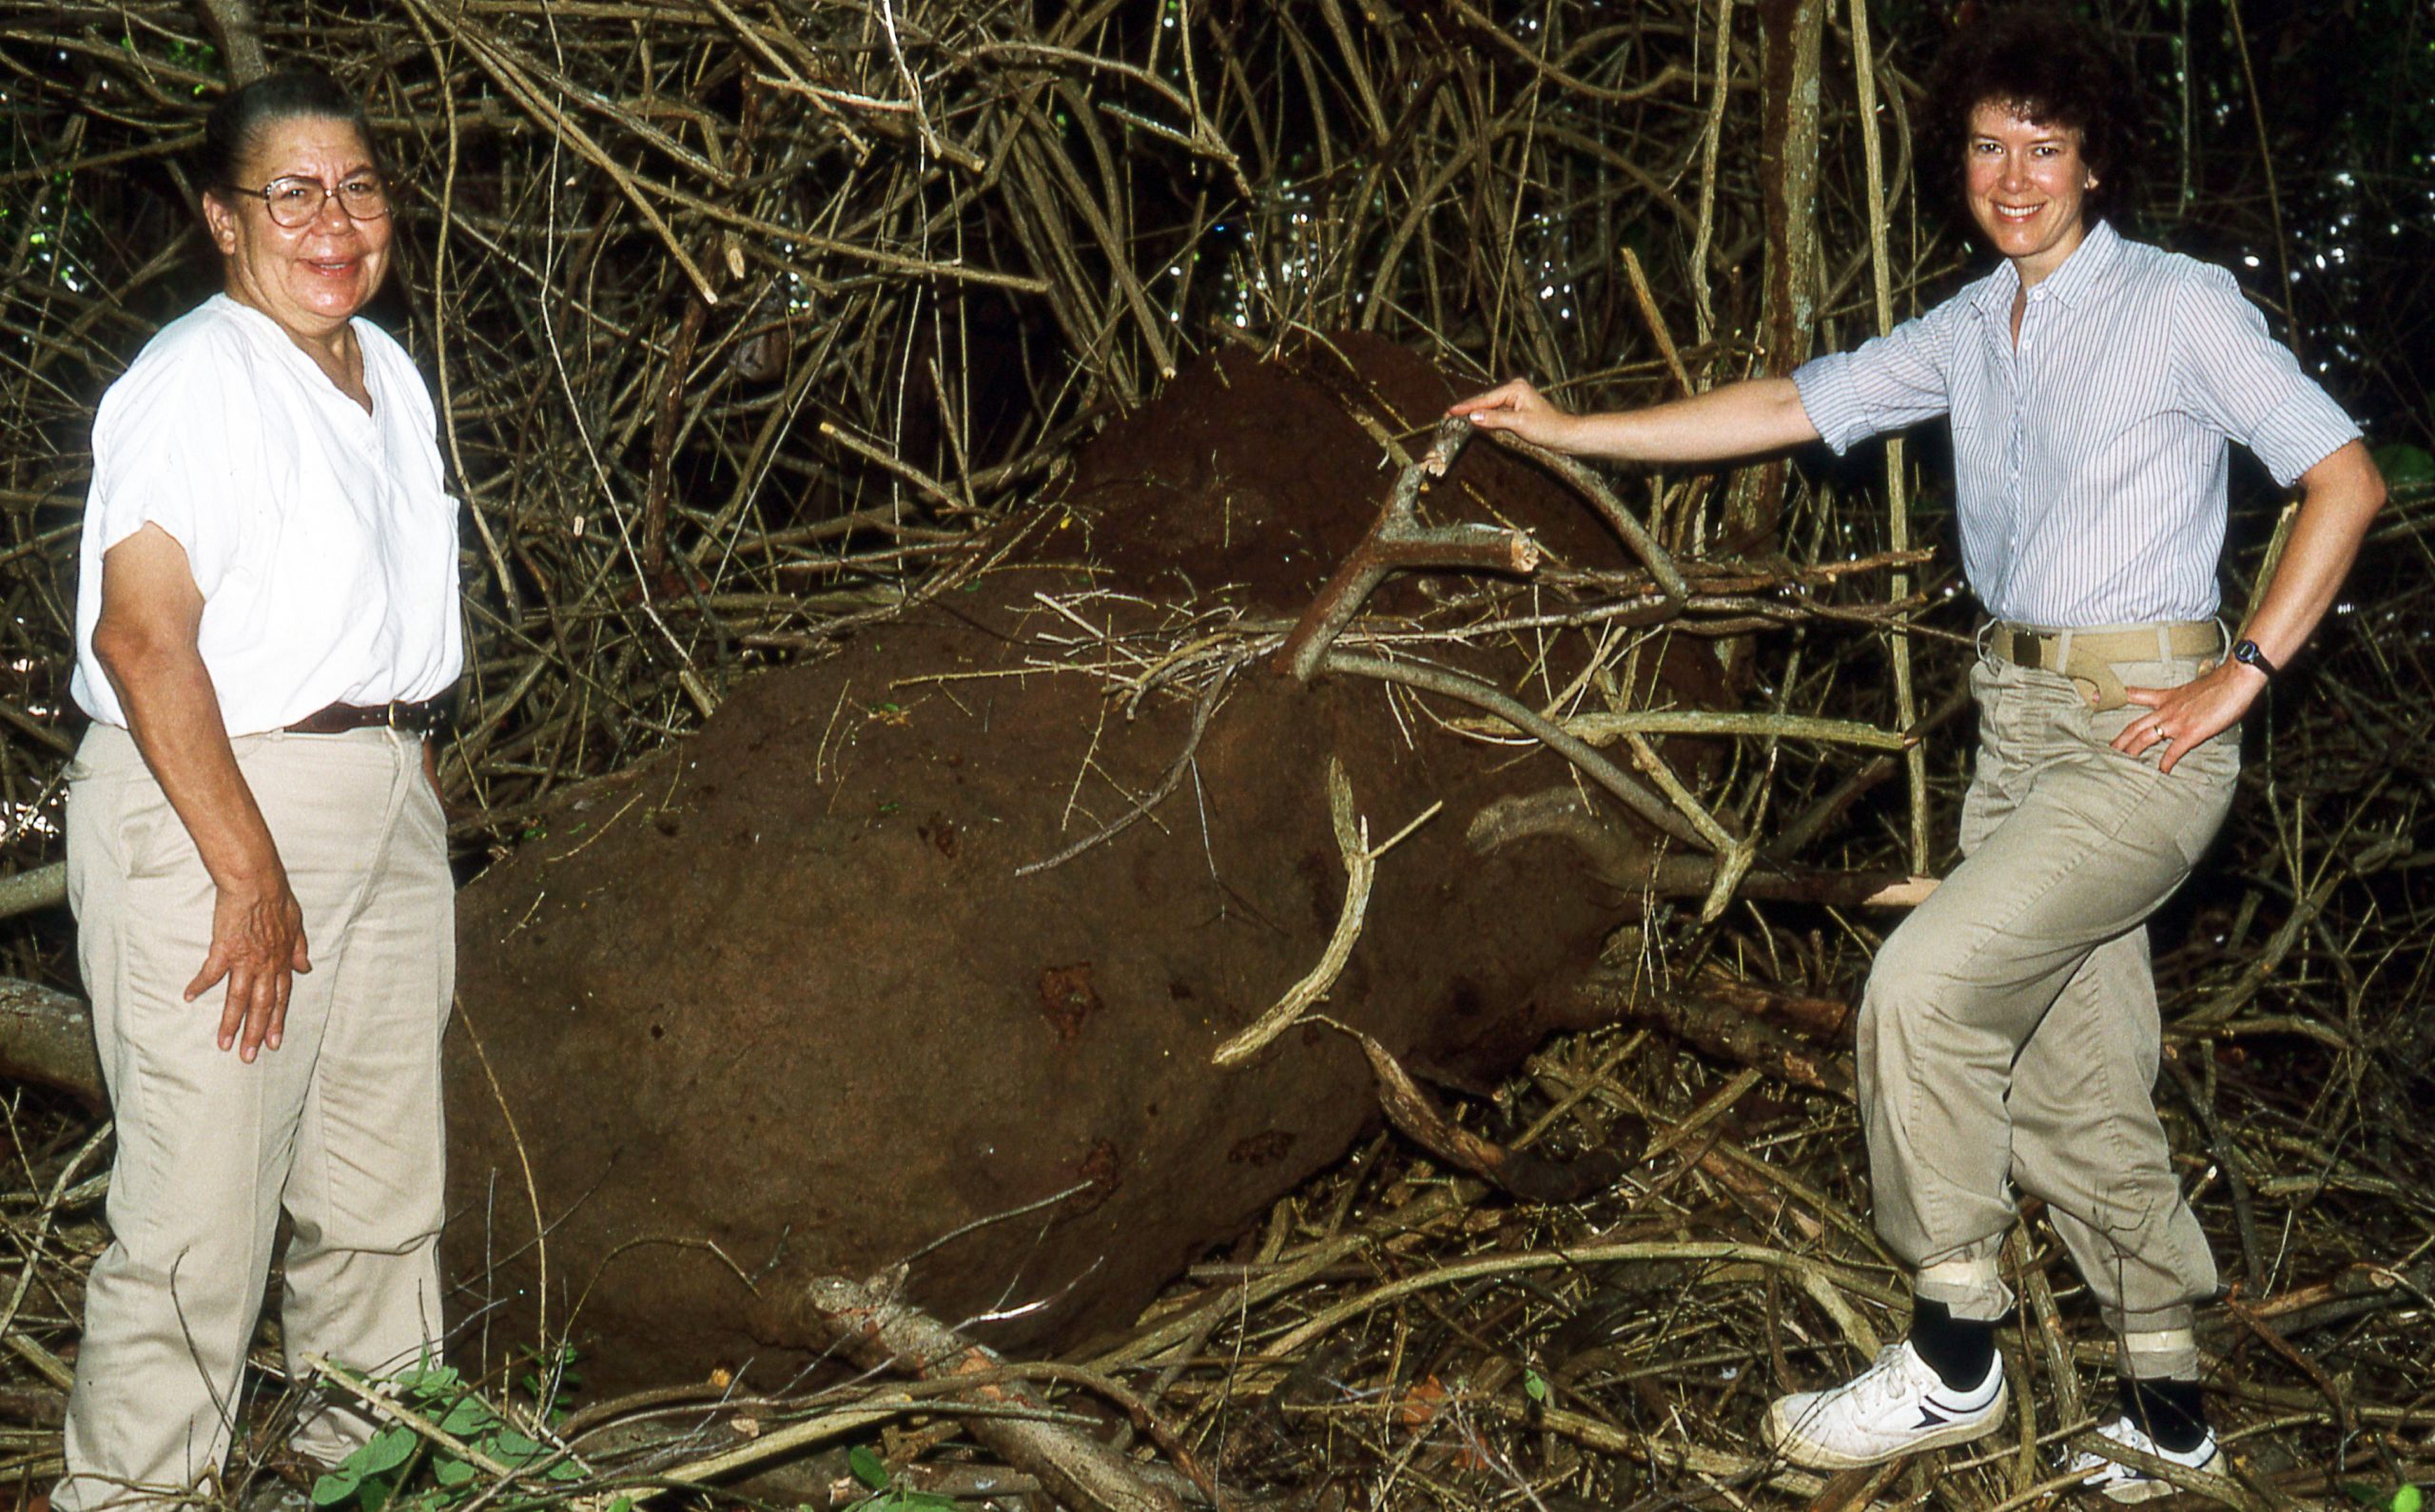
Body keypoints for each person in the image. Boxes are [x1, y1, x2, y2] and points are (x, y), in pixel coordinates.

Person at [1451, 7, 2384, 1500]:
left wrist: (2244, 675)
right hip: (2014, 734)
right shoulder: (1974, 321)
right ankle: (2171, 1417)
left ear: (2096, 164)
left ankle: (1954, 1354)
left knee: (1924, 986)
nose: (2013, 177)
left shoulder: (2178, 304)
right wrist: (1574, 433)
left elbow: (2345, 478)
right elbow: (1788, 404)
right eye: (1987, 146)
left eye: (2046, 148)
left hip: (2140, 734)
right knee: (2082, 1082)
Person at [56, 72, 461, 1507]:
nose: (331, 221)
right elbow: (142, 634)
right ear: (225, 221)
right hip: (214, 810)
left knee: (378, 1213)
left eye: (356, 187)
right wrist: (248, 866)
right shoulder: (195, 379)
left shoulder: (389, 378)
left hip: (380, 802)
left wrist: (402, 780)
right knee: (196, 1229)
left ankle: (376, 1480)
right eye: (291, 193)